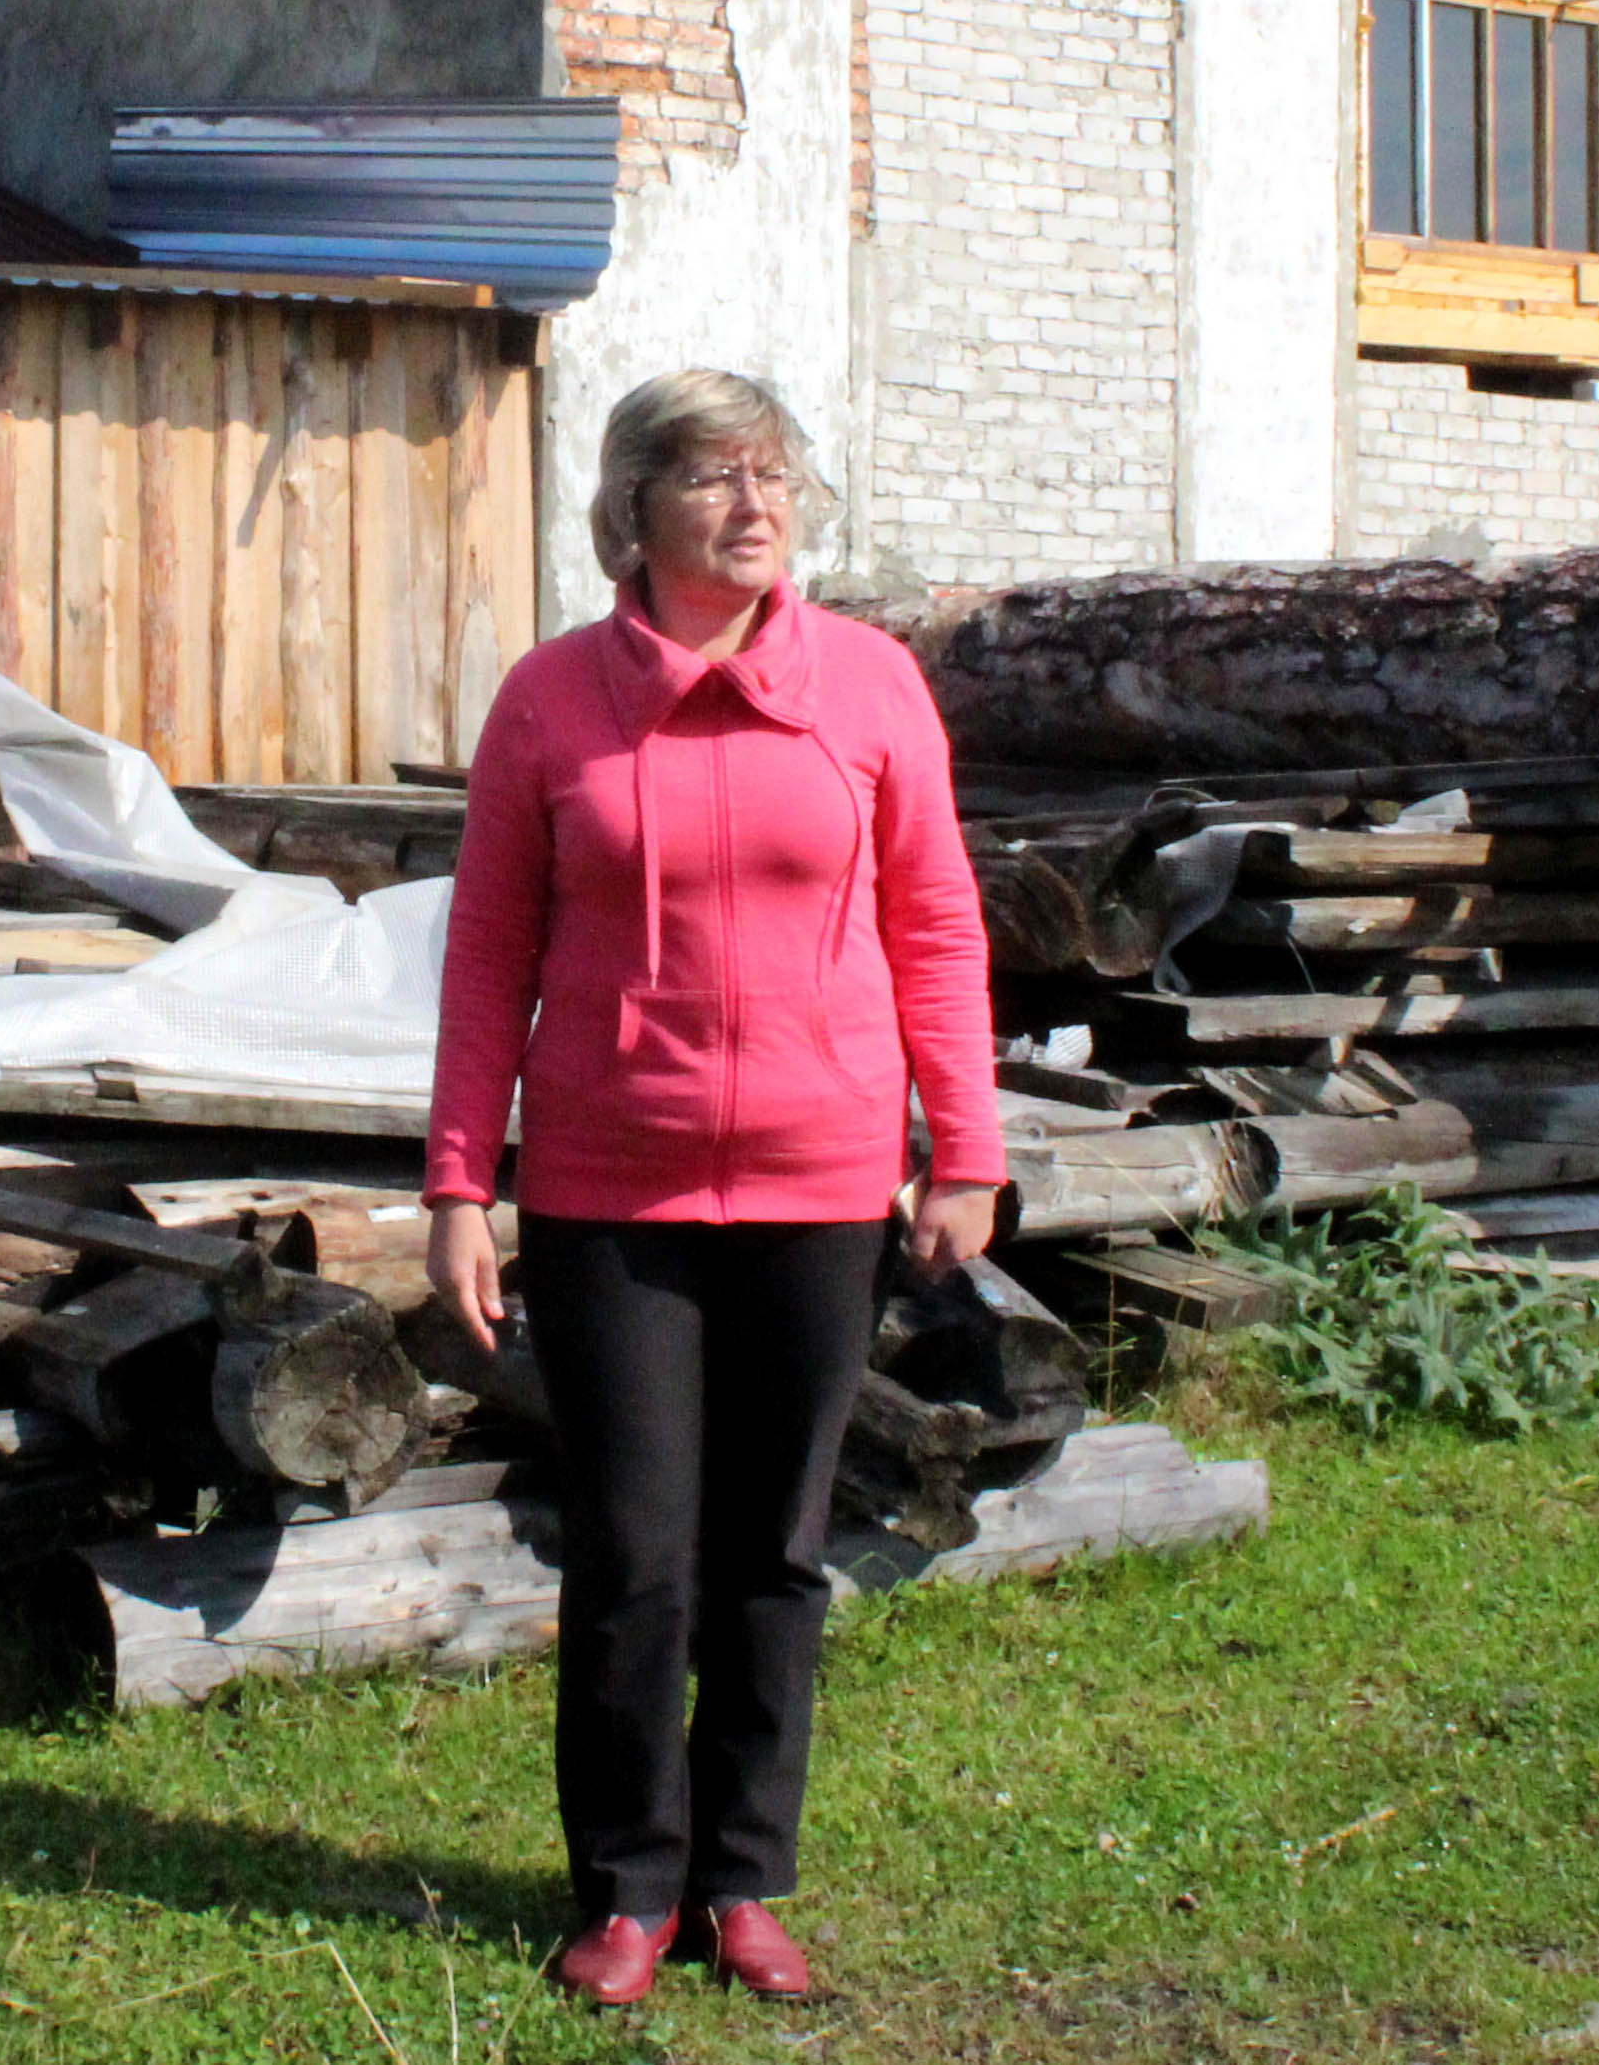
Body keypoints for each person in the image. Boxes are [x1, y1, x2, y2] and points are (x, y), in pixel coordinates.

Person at [423, 368, 1003, 2009]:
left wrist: (967, 1140)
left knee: (774, 1547)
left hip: (822, 1184)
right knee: (631, 1553)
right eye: (710, 475)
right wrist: (463, 1180)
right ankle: (626, 1886)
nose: (753, 503)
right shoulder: (551, 702)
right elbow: (488, 958)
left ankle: (744, 1881)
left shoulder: (874, 689)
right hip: (612, 1189)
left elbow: (939, 927)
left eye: (774, 473)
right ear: (634, 510)